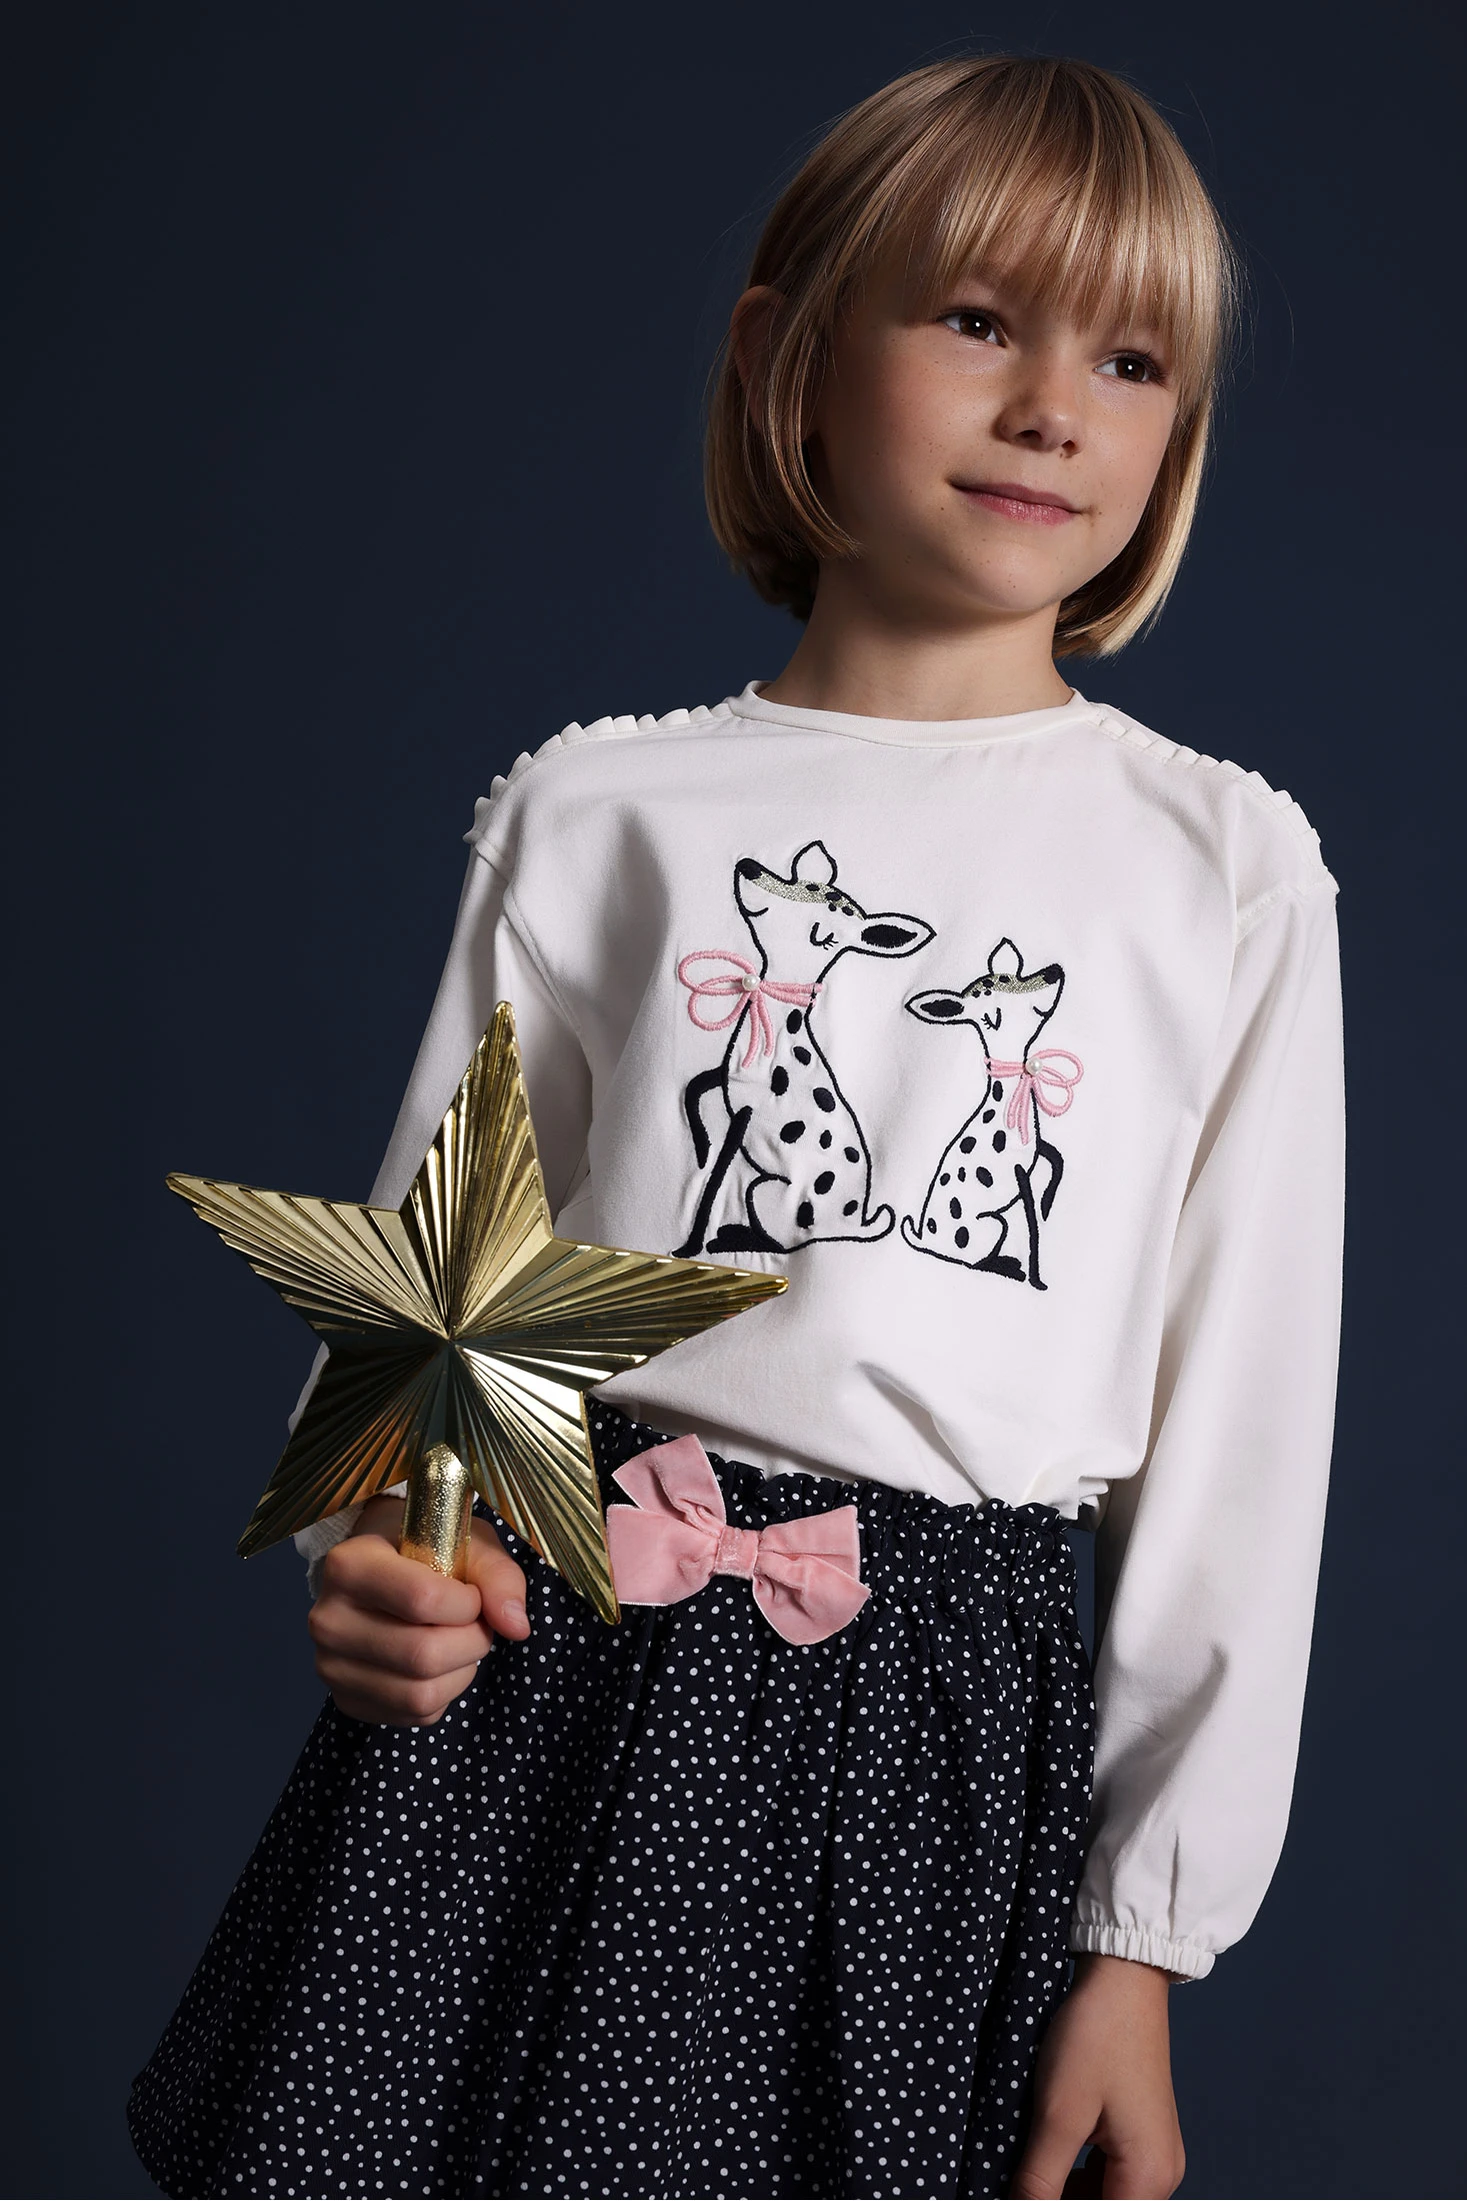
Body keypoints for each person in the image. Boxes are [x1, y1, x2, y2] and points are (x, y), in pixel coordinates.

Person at [129, 52, 1344, 2201]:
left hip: (931, 1748)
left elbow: (1241, 1440)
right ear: (788, 352)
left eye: (1129, 357)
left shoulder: (1219, 868)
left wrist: (1141, 1938)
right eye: (976, 318)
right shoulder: (599, 809)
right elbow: (438, 1300)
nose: (1050, 407)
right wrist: (389, 1550)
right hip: (551, 1682)